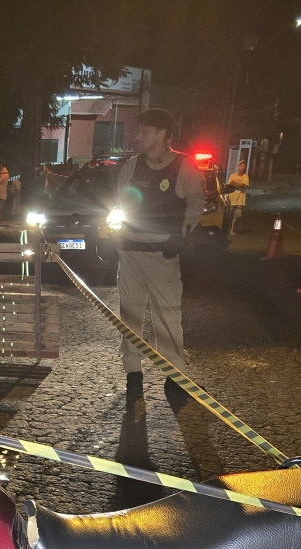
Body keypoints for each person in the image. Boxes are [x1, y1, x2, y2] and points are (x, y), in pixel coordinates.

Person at [113, 108, 205, 399]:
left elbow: (195, 209)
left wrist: (181, 239)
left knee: (167, 315)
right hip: (129, 253)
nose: (137, 136)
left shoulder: (186, 168)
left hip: (162, 256)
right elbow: (118, 204)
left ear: (163, 134)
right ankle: (133, 373)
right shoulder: (131, 167)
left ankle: (175, 376)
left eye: (144, 131)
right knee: (130, 314)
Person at [225, 159, 249, 235]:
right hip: (232, 197)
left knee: (237, 215)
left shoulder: (245, 176)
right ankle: (226, 230)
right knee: (228, 215)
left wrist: (236, 184)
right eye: (240, 166)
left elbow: (245, 185)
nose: (242, 168)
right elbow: (229, 184)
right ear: (238, 167)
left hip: (240, 199)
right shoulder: (233, 175)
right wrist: (239, 184)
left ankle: (232, 229)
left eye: (243, 166)